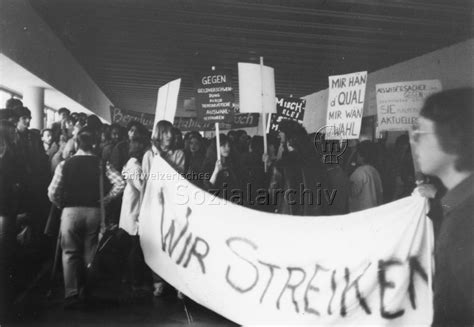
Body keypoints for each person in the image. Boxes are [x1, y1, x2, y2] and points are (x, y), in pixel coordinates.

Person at [412, 88, 474, 325]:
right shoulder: (458, 207)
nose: (414, 141)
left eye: (421, 133)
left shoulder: (464, 224)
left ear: (453, 135)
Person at [47, 127, 125, 309]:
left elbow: (52, 191)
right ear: (95, 144)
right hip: (94, 212)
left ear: (76, 144)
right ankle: (87, 291)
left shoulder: (65, 164)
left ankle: (71, 293)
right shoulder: (101, 163)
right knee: (90, 251)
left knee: (69, 253)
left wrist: (61, 204)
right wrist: (105, 199)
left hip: (70, 212)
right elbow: (120, 182)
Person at [268, 120, 327, 215]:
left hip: (289, 215)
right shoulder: (317, 162)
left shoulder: (281, 165)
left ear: (288, 140)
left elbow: (272, 193)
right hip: (312, 215)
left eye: (281, 135)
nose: (279, 137)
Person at [119, 139, 148, 294]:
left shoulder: (129, 164)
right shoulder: (136, 167)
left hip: (129, 209)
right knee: (135, 248)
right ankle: (136, 281)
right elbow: (141, 188)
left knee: (131, 246)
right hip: (134, 211)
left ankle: (128, 278)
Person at [202, 134, 243, 204]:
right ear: (216, 148)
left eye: (229, 146)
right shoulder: (208, 165)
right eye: (223, 145)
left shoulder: (232, 162)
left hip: (233, 202)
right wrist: (215, 171)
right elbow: (207, 188)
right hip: (217, 203)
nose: (227, 148)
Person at [348, 140, 383, 212]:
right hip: (373, 211)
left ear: (362, 155)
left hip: (361, 213)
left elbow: (352, 192)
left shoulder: (359, 173)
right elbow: (380, 193)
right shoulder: (374, 171)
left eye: (357, 153)